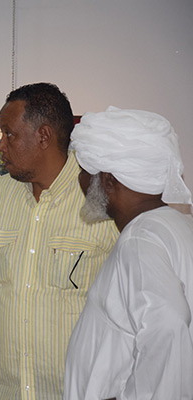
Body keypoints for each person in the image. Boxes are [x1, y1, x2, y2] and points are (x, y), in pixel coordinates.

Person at [0, 83, 119, 400]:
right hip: (1, 391)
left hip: (73, 391)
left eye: (9, 134)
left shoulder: (102, 198)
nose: (0, 146)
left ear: (43, 136)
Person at [64, 106, 193, 400]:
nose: (80, 181)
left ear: (108, 180)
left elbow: (169, 323)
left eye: (84, 172)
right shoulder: (176, 226)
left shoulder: (140, 239)